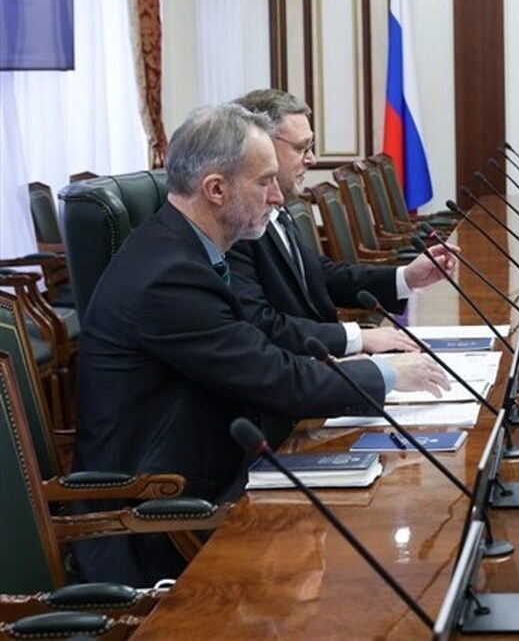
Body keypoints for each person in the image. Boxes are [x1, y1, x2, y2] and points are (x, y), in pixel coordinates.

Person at [72, 104, 450, 586]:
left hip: (210, 477)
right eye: (264, 182)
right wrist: (391, 373)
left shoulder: (187, 250)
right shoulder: (169, 275)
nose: (277, 196)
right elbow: (273, 376)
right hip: (158, 520)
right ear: (216, 189)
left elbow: (259, 355)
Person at [228, 89, 455, 356]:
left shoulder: (278, 209)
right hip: (304, 368)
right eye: (301, 148)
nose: (312, 159)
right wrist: (356, 338)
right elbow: (261, 326)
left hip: (324, 360)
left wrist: (406, 277)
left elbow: (321, 276)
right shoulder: (236, 227)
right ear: (261, 148)